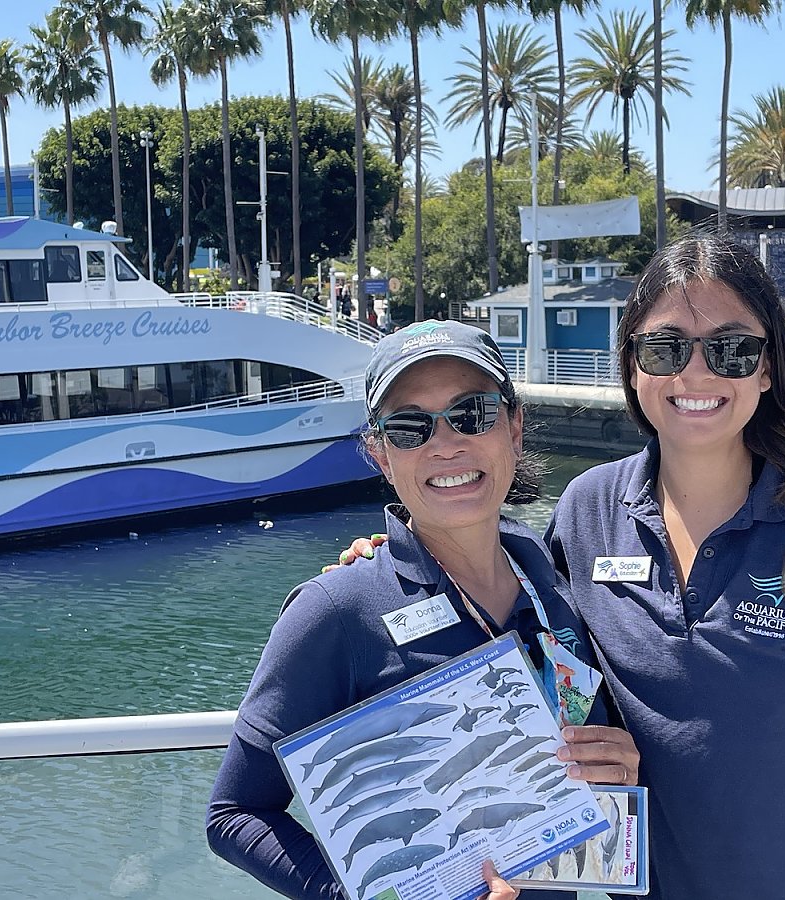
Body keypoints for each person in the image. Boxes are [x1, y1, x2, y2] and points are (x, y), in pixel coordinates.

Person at [337, 236, 785, 899]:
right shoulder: (586, 512)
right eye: (665, 349)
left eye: (731, 349)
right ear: (631, 365)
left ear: (769, 367)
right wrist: (389, 566)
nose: (694, 375)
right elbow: (512, 622)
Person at [206, 321, 640, 900]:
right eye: (410, 428)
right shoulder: (335, 609)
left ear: (514, 427)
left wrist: (617, 774)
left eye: (472, 414)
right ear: (381, 455)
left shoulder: (551, 578)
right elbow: (235, 815)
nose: (445, 443)